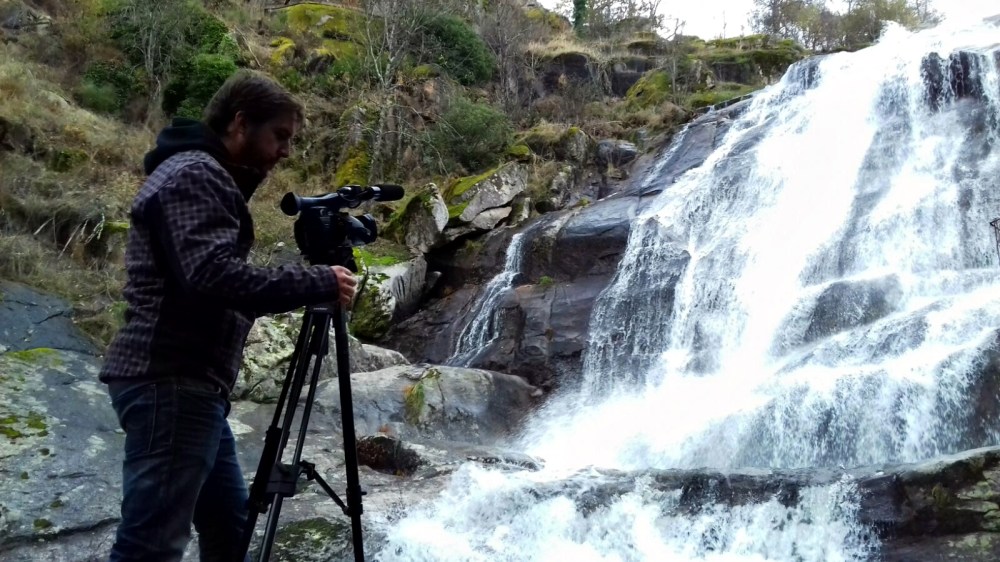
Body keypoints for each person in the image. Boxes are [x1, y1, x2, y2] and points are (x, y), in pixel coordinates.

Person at [98, 70, 357, 562]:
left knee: (228, 526)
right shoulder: (198, 173)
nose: (285, 152)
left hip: (187, 385)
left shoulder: (193, 172)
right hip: (171, 381)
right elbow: (212, 275)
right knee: (151, 544)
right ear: (240, 124)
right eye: (279, 136)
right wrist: (318, 281)